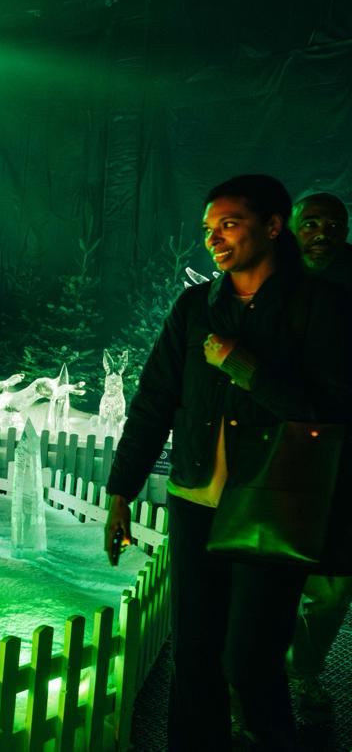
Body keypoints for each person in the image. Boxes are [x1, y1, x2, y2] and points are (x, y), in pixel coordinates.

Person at [104, 174, 352, 751]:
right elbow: (154, 402)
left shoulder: (322, 308)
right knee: (194, 659)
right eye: (208, 229)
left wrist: (246, 368)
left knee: (250, 663)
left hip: (273, 504)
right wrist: (121, 493)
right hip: (195, 503)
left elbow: (334, 411)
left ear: (273, 226)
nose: (213, 239)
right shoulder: (195, 308)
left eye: (229, 224)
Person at [286, 190, 352, 721]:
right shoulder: (268, 281)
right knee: (266, 573)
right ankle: (258, 680)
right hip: (278, 447)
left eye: (333, 225)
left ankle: (305, 671)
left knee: (334, 584)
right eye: (311, 223)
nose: (322, 234)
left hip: (342, 453)